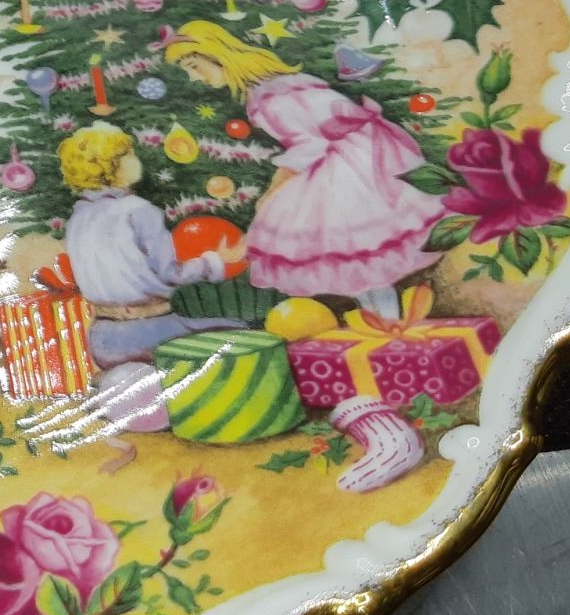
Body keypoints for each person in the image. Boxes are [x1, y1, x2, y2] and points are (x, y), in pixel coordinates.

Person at [163, 20, 440, 319]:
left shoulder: (272, 97)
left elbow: (311, 146)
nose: (194, 78)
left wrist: (273, 191)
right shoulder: (278, 88)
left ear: (217, 55)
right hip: (351, 158)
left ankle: (387, 322)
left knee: (354, 249)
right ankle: (383, 322)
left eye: (194, 66)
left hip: (346, 168)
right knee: (356, 256)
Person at [57, 124, 244, 371]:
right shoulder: (137, 209)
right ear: (112, 165)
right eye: (129, 155)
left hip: (102, 339)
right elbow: (170, 273)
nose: (136, 160)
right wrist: (216, 260)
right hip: (152, 334)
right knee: (240, 332)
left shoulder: (78, 217)